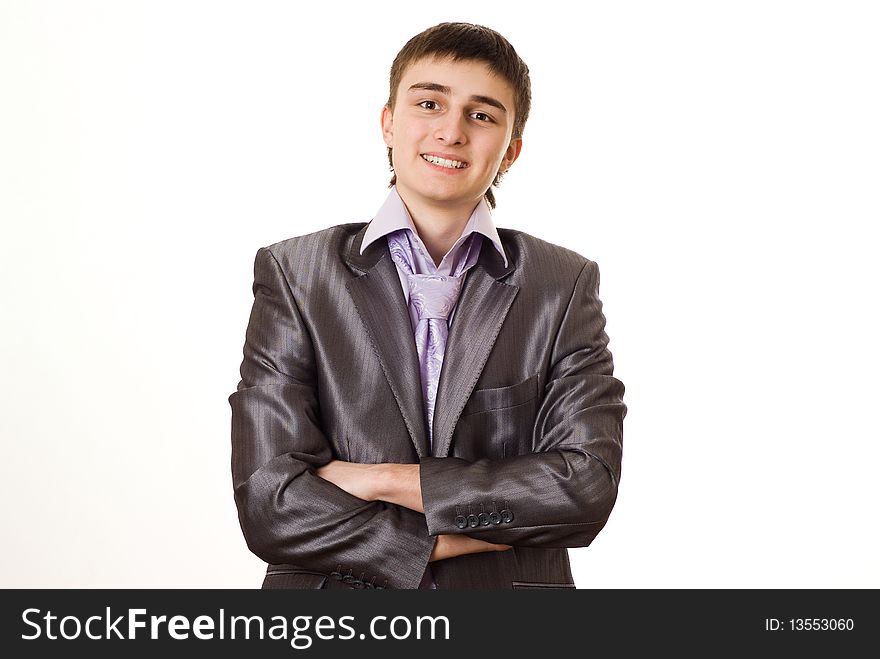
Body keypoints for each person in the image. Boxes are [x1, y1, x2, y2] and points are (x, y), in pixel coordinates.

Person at [229, 22, 626, 589]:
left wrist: (385, 480)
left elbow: (585, 490)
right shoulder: (297, 274)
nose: (451, 131)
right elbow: (271, 503)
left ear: (510, 150)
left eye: (482, 115)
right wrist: (437, 542)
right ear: (389, 123)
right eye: (429, 103)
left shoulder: (561, 285)